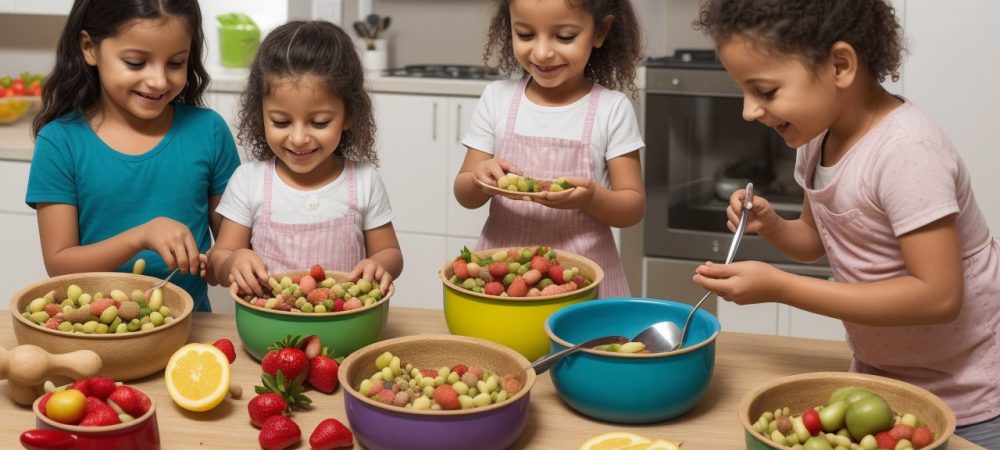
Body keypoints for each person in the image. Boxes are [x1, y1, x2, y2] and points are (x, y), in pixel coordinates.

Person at [691, 0, 1000, 445]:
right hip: (883, 382)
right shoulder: (818, 139)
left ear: (840, 65)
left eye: (766, 91)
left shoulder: (906, 153)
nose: (749, 111)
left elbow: (939, 296)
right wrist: (775, 226)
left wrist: (783, 288)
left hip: (970, 397)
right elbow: (815, 240)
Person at [25, 0, 240, 312]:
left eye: (176, 63)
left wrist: (230, 261)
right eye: (137, 63)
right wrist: (142, 236)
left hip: (190, 331)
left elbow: (230, 249)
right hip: (97, 333)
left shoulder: (209, 131)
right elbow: (60, 265)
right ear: (89, 48)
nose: (158, 81)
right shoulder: (60, 142)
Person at [454, 0, 645, 298]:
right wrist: (480, 178)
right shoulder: (496, 99)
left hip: (585, 277)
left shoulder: (612, 109)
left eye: (565, 37)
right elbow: (464, 193)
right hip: (505, 274)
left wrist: (592, 197)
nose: (542, 52)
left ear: (600, 31)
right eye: (526, 35)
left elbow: (633, 207)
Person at [209, 21, 402, 298]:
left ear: (348, 115)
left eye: (319, 123)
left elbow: (389, 252)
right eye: (281, 121)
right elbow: (220, 259)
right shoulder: (248, 181)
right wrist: (233, 260)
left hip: (346, 327)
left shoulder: (364, 180)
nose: (298, 138)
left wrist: (379, 265)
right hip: (271, 328)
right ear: (259, 113)